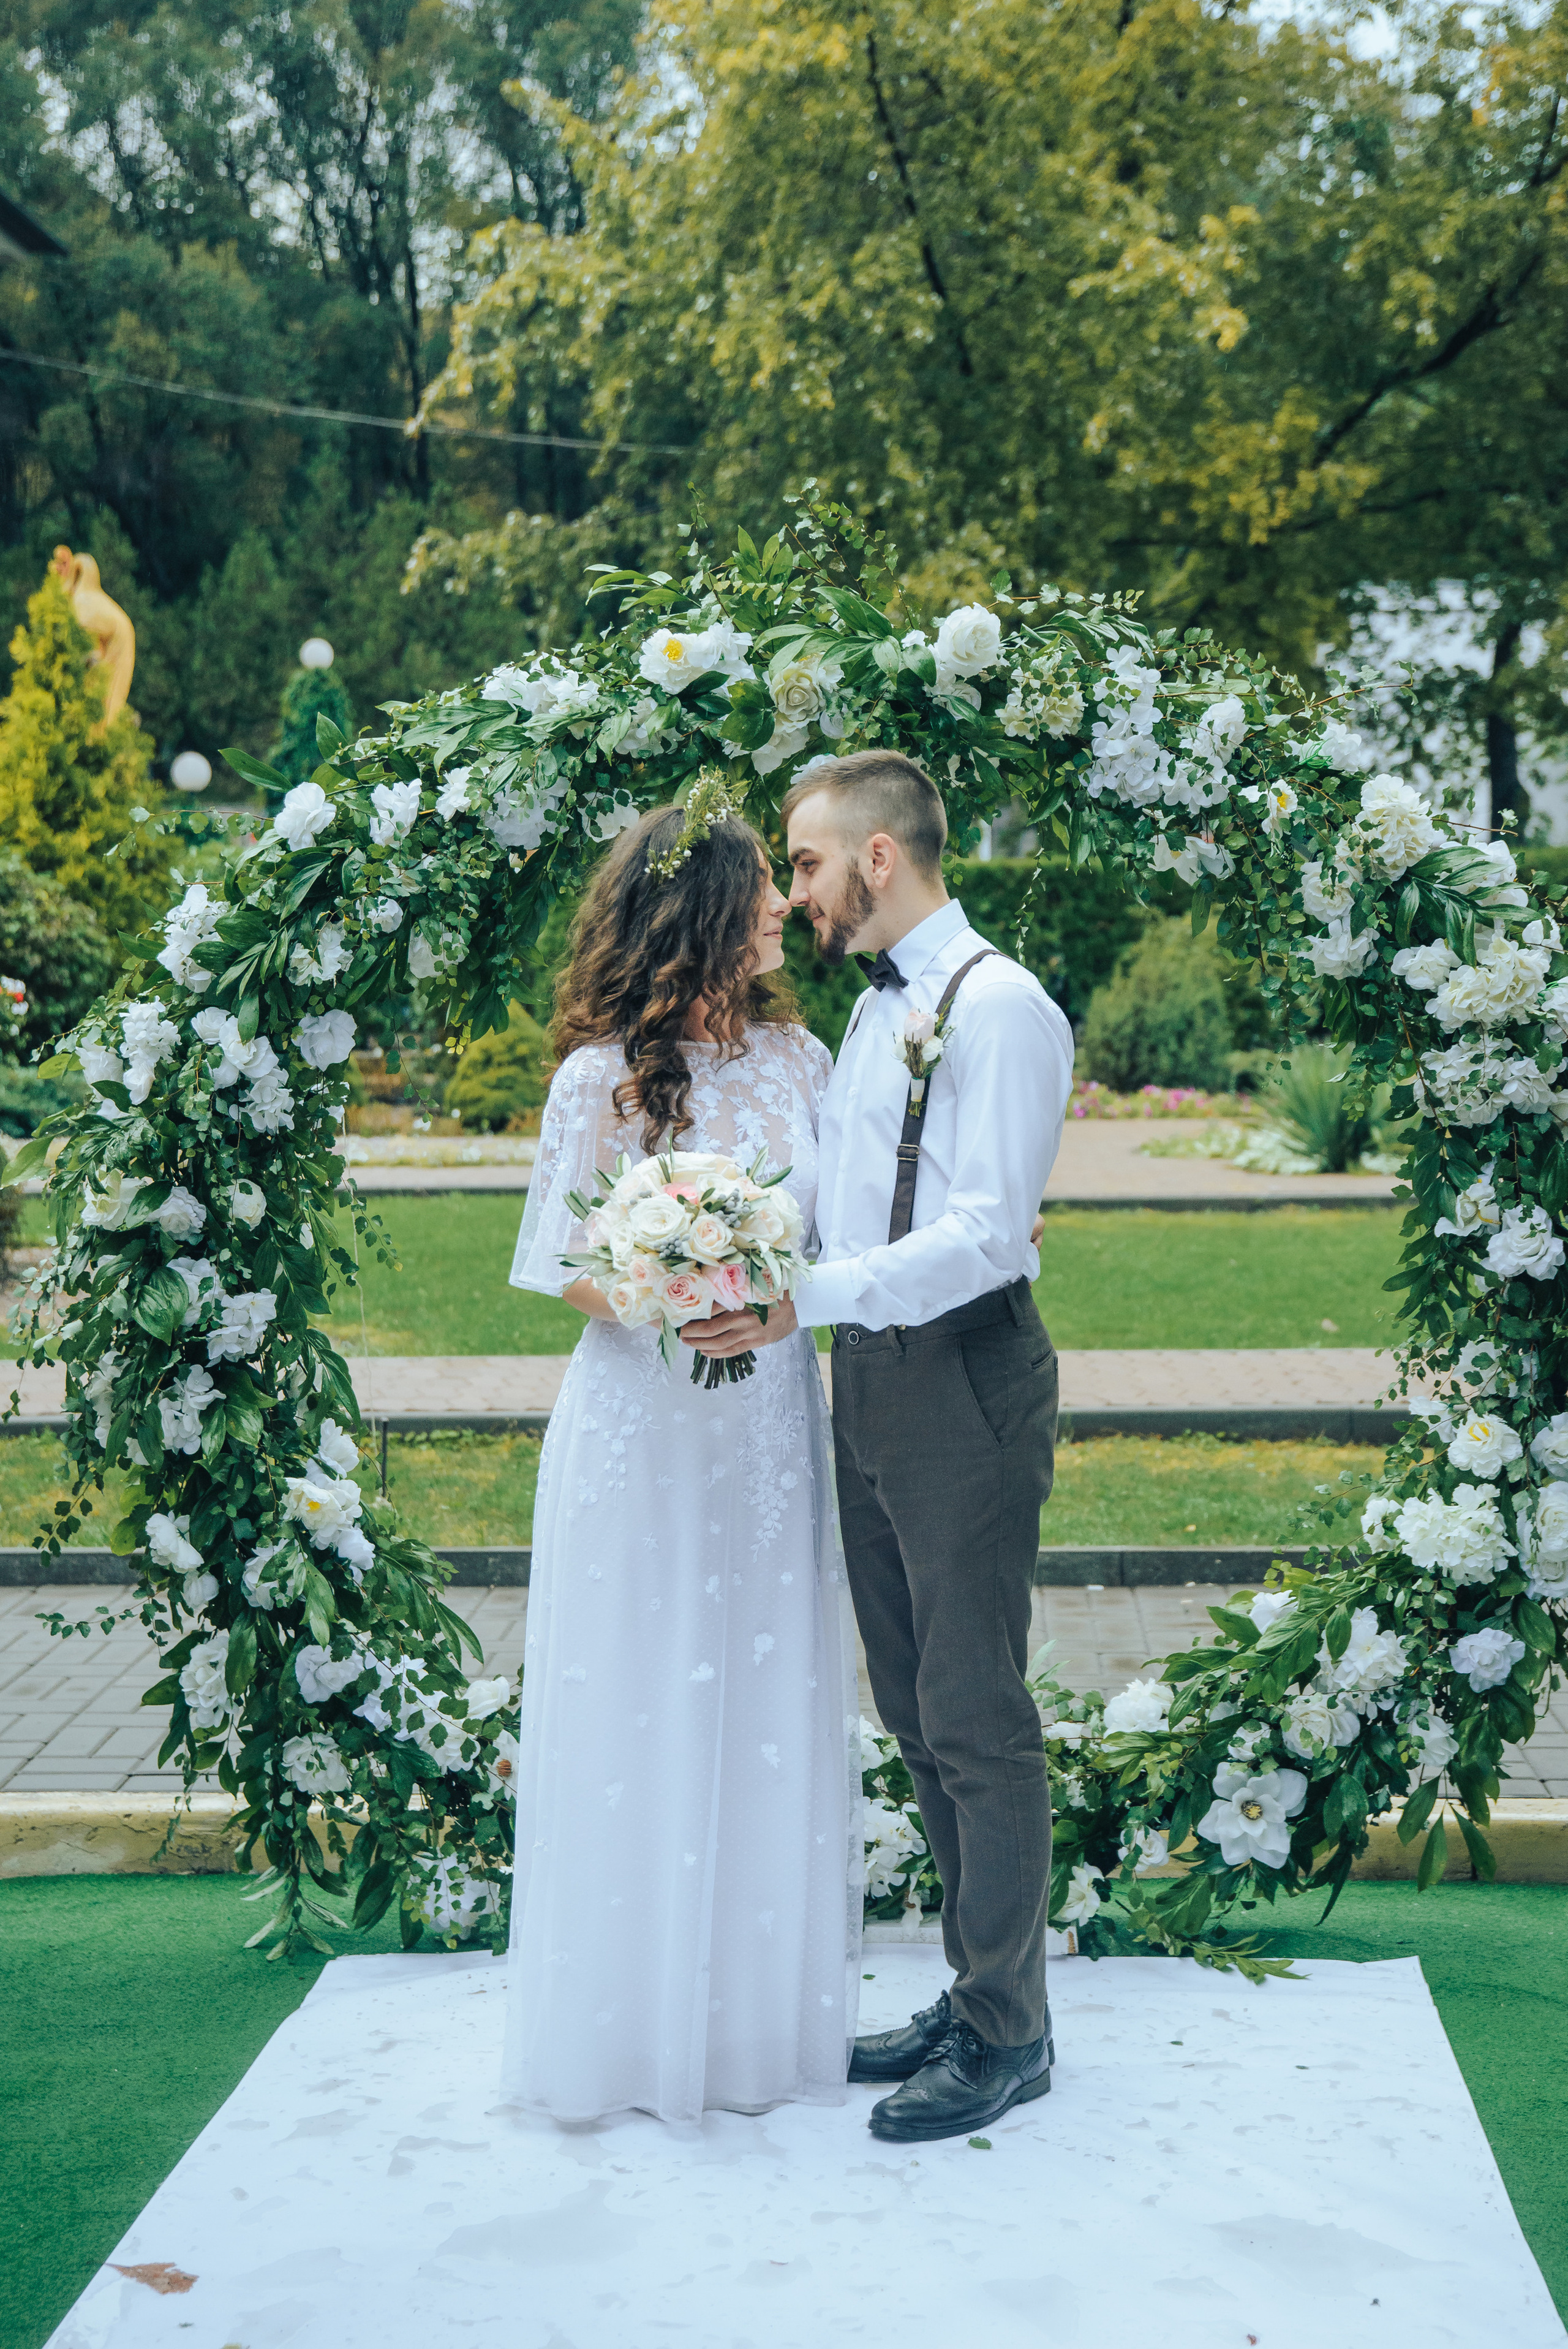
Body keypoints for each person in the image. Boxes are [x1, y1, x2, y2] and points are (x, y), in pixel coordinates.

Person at [686, 748, 1072, 2144]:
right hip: (869, 1373)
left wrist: (811, 1304)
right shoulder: (876, 1015)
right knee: (912, 1706)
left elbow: (979, 1234)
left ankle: (1008, 2035)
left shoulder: (1001, 1008)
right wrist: (710, 1241)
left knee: (974, 1711)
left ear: (878, 860)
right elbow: (840, 1198)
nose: (791, 897)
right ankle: (975, 1997)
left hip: (960, 1379)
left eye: (802, 864)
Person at [500, 803, 861, 2125]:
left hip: (768, 1423)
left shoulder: (804, 1059)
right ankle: (623, 2036)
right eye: (764, 889)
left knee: (766, 1688)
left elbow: (845, 1224)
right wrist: (676, 1284)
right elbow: (563, 1265)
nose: (782, 909)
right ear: (707, 911)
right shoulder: (596, 1078)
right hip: (640, 1428)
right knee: (637, 1694)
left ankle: (751, 2028)